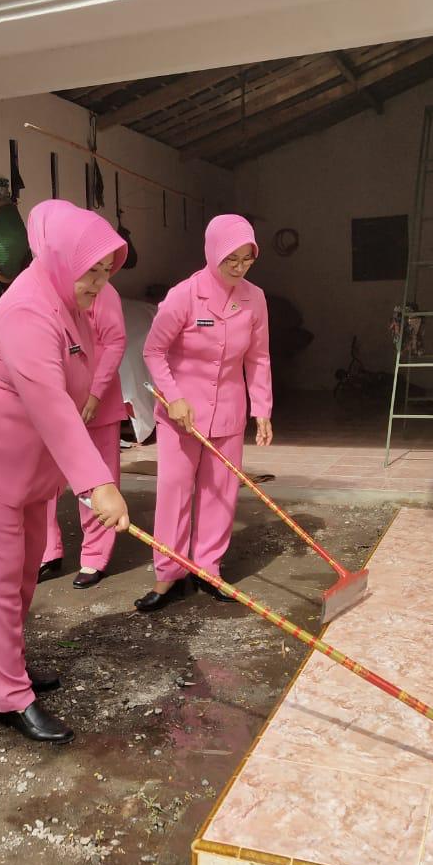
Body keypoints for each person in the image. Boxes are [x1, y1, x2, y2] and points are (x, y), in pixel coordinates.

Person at [0, 199, 130, 744]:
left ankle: (8, 666)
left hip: (26, 469)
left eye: (106, 272)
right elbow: (50, 404)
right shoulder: (28, 311)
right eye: (93, 272)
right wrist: (99, 485)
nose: (99, 284)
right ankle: (8, 697)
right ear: (64, 260)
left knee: (20, 576)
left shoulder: (70, 300)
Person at [137, 215, 273, 612]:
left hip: (229, 411)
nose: (239, 267)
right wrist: (173, 396)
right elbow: (153, 351)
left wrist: (262, 409)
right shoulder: (185, 294)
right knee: (175, 494)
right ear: (213, 251)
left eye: (247, 259)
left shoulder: (255, 298)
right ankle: (168, 575)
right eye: (231, 258)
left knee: (221, 493)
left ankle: (208, 567)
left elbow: (259, 356)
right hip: (181, 414)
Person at [36, 247, 127, 590]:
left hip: (96, 400)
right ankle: (47, 550)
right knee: (44, 480)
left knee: (98, 479)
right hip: (56, 398)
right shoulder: (44, 291)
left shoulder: (104, 291)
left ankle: (95, 556)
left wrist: (95, 393)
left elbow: (116, 342)